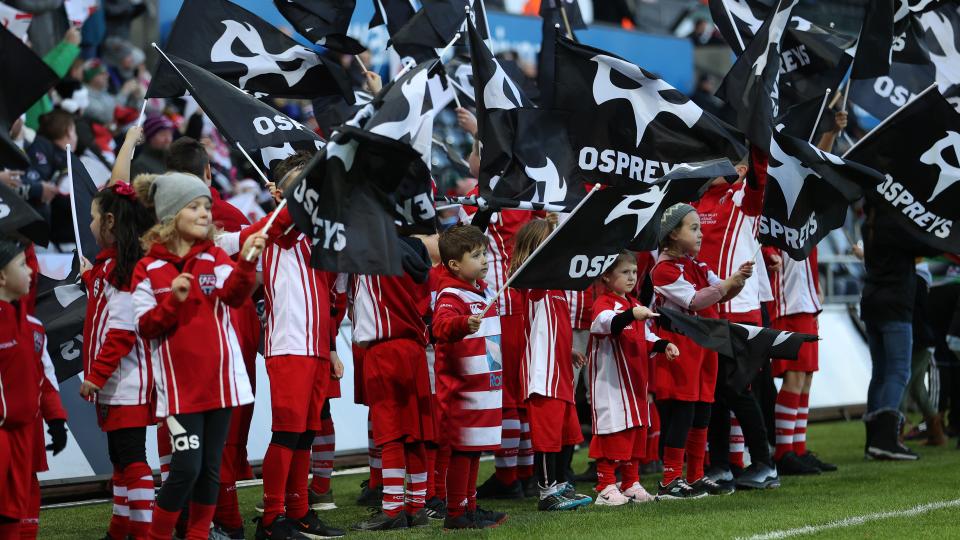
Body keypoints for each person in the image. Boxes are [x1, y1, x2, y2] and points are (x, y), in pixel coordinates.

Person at [131, 172, 265, 539]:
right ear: (171, 215)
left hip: (221, 386)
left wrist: (248, 262)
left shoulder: (216, 256)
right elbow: (145, 326)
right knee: (186, 468)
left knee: (210, 469)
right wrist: (173, 301)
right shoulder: (149, 269)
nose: (206, 213)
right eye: (195, 206)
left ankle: (198, 535)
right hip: (179, 394)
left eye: (207, 205)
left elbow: (236, 295)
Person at [250, 153, 345, 540]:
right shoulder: (277, 225)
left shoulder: (318, 232)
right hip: (289, 343)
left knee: (306, 432)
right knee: (287, 432)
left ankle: (300, 512)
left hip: (315, 344)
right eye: (302, 182)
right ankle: (272, 519)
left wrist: (332, 346)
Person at [651, 203, 753, 499]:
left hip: (704, 345)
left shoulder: (698, 265)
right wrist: (727, 285)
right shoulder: (663, 270)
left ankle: (695, 476)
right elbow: (695, 300)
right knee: (683, 410)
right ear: (672, 235)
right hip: (680, 346)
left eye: (700, 228)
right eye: (693, 228)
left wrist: (738, 279)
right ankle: (670, 479)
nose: (700, 234)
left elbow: (720, 291)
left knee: (702, 411)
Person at [692, 149, 780, 490]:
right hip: (708, 308)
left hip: (740, 308)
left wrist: (758, 141)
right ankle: (721, 464)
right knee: (712, 390)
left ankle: (764, 463)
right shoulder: (698, 201)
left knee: (737, 389)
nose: (710, 169)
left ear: (740, 169)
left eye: (720, 164)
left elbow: (761, 172)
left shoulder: (743, 197)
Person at [77, 181, 157, 540]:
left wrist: (96, 375)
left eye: (93, 218)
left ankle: (143, 532)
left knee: (132, 459)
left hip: (126, 384)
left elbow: (122, 332)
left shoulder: (123, 272)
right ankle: (119, 529)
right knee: (120, 461)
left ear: (109, 222)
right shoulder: (108, 268)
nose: (90, 224)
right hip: (115, 386)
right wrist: (89, 275)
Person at [349, 233, 436, 531]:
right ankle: (416, 507)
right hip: (414, 350)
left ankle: (392, 510)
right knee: (415, 432)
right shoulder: (415, 253)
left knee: (390, 434)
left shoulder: (371, 250)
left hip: (384, 350)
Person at [510, 219, 593, 511]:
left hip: (560, 369)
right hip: (542, 373)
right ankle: (546, 492)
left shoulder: (555, 285)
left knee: (562, 433)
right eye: (551, 242)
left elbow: (550, 326)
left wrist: (567, 348)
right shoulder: (533, 283)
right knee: (546, 436)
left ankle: (558, 484)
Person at [587, 252, 677, 505]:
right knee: (611, 430)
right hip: (611, 383)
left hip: (636, 382)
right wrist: (631, 315)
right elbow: (603, 323)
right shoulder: (604, 302)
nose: (631, 277)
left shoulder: (633, 303)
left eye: (634, 272)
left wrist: (663, 344)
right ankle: (605, 485)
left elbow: (645, 335)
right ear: (606, 276)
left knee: (635, 431)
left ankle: (630, 481)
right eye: (624, 272)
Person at [432, 224, 507, 529]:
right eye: (476, 255)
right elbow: (441, 327)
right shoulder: (451, 295)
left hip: (483, 387)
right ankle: (455, 512)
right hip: (462, 391)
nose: (485, 260)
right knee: (463, 452)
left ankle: (470, 506)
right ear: (454, 265)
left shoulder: (482, 292)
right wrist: (464, 323)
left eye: (485, 253)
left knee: (475, 450)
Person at [0, 239, 44, 540]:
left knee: (13, 509)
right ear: (2, 277)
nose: (31, 271)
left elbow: (44, 376)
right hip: (5, 430)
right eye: (23, 265)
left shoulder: (31, 325)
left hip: (22, 430)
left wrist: (56, 417)